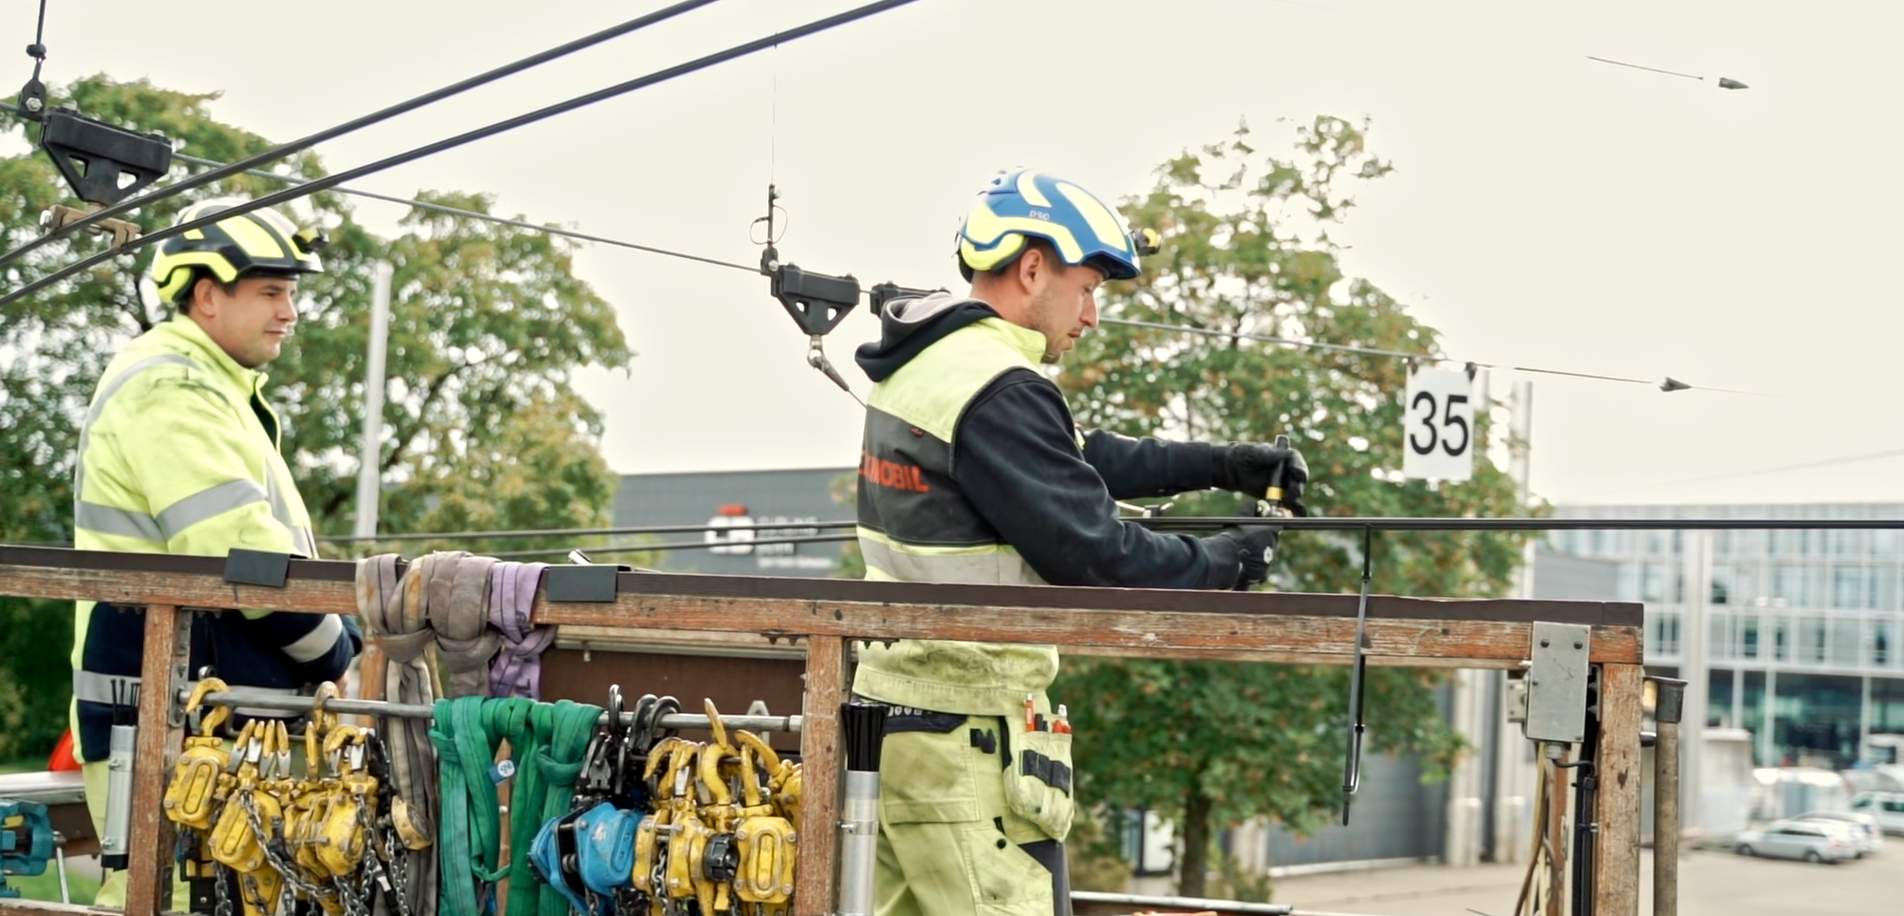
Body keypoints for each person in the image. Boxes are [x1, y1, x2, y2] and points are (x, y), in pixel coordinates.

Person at [851, 169, 1309, 916]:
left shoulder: (932, 365)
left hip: (897, 720)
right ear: (1033, 268)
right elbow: (1102, 558)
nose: (1092, 315)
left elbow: (1075, 455)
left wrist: (1224, 463)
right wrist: (1233, 560)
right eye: (1088, 287)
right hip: (968, 728)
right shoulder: (1001, 386)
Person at [67, 198, 361, 907]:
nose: (289, 312)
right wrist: (347, 664)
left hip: (206, 708)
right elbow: (243, 559)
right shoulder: (172, 385)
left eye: (291, 293)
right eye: (270, 292)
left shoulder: (211, 386)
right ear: (206, 295)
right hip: (170, 714)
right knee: (165, 899)